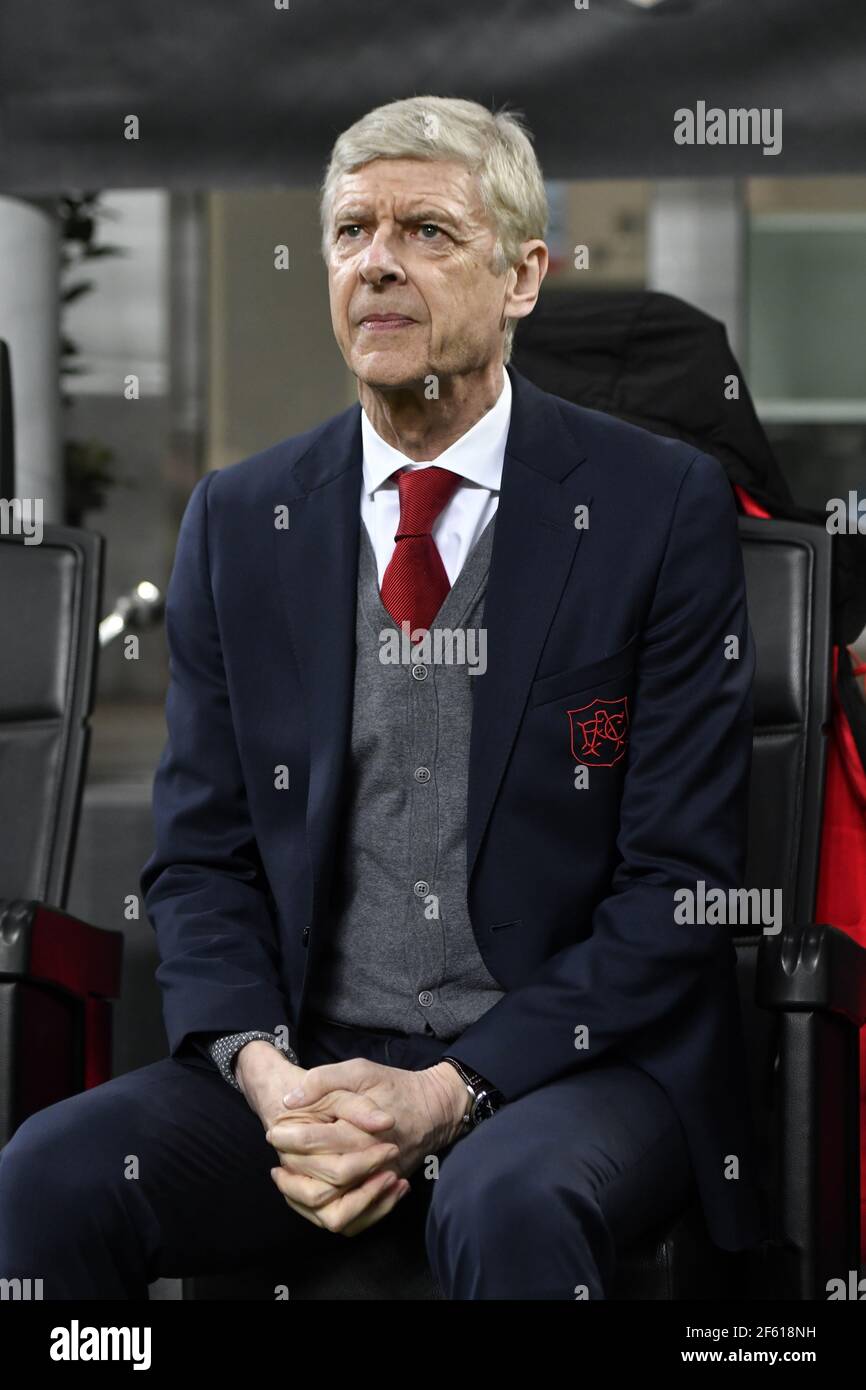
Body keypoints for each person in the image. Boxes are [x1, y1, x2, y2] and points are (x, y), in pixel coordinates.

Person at [0, 94, 765, 1300]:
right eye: (352, 231)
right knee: (47, 1174)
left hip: (571, 1065)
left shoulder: (651, 508)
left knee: (505, 1200)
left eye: (425, 233)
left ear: (522, 276)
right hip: (310, 1064)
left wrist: (446, 1094)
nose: (377, 265)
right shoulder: (241, 519)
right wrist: (268, 1076)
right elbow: (202, 862)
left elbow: (678, 887)